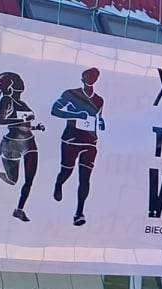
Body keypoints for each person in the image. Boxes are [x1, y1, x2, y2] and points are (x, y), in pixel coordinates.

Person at [0, 72, 44, 222]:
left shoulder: (23, 103)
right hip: (12, 143)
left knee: (29, 179)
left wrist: (35, 127)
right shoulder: (6, 100)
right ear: (11, 87)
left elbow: (25, 125)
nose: (21, 87)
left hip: (29, 142)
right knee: (12, 180)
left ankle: (19, 210)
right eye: (18, 84)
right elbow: (1, 120)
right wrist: (21, 119)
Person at [50, 67, 104, 226]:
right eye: (88, 76)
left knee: (85, 178)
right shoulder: (71, 94)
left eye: (94, 76)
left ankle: (79, 213)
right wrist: (76, 115)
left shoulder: (99, 100)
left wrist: (101, 122)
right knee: (66, 171)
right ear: (82, 78)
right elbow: (55, 110)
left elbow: (99, 117)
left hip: (90, 142)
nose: (91, 78)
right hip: (71, 139)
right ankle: (59, 184)